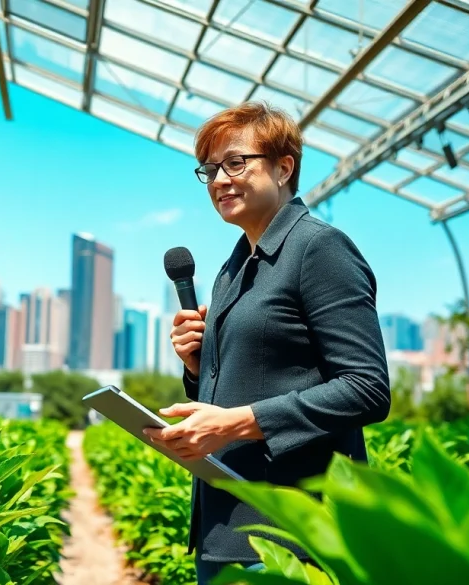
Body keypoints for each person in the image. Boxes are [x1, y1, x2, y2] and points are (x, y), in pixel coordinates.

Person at [142, 101, 390, 584]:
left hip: (290, 535)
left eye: (236, 163)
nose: (218, 180)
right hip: (224, 524)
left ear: (283, 167)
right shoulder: (233, 269)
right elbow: (241, 386)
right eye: (209, 169)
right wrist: (197, 366)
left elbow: (367, 388)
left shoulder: (319, 249)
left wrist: (237, 423)